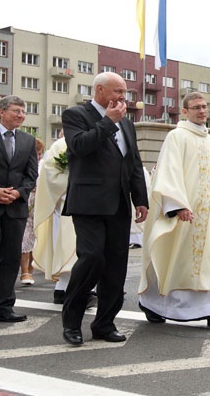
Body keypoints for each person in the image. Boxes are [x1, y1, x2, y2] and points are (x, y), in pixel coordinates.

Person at [60, 72, 148, 345]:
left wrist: (140, 198)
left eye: (125, 92)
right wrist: (108, 122)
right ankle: (72, 321)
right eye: (118, 91)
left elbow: (132, 162)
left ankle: (105, 323)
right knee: (92, 258)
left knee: (115, 267)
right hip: (88, 203)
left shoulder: (128, 124)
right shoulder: (76, 115)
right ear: (99, 90)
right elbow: (78, 146)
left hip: (119, 204)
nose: (123, 97)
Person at [138, 94, 210, 328]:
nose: (202, 111)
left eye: (204, 107)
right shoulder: (177, 136)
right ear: (185, 112)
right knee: (175, 259)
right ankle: (154, 305)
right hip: (185, 212)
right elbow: (168, 171)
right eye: (196, 108)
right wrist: (178, 205)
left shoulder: (209, 141)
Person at [32, 135, 95, 306]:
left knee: (86, 249)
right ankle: (70, 290)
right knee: (69, 249)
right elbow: (50, 174)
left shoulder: (95, 140)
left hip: (91, 204)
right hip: (67, 204)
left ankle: (66, 289)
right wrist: (76, 184)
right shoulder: (60, 145)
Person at [0, 95, 39, 323]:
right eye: (16, 111)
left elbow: (32, 174)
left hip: (15, 209)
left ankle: (4, 307)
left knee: (11, 259)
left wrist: (19, 192)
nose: (21, 115)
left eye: (23, 111)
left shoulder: (27, 140)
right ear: (1, 112)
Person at [20, 138, 44, 285]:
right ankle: (24, 271)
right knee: (25, 237)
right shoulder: (23, 164)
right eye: (36, 153)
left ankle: (30, 268)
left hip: (39, 204)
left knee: (35, 237)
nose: (39, 156)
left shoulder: (43, 165)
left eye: (40, 153)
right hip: (26, 201)